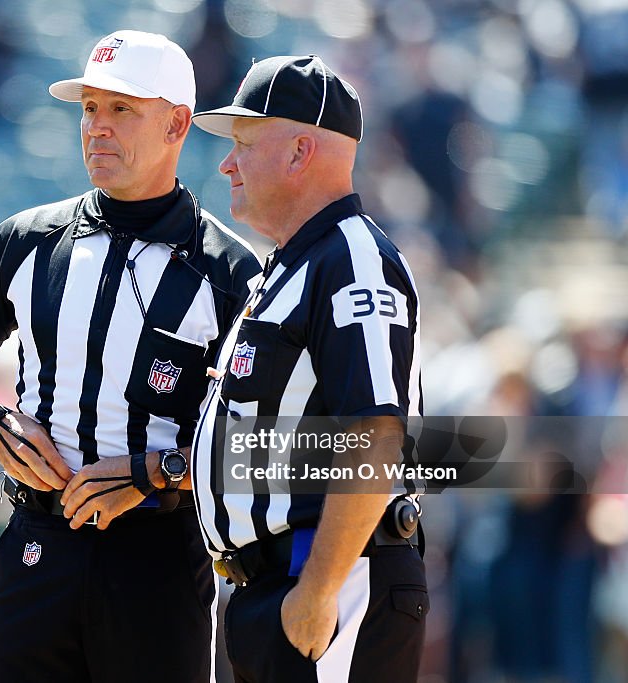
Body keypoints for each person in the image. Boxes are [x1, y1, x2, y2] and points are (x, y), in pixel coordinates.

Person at [0, 30, 262, 683]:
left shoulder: (231, 271)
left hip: (158, 557)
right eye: (89, 108)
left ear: (177, 123)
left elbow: (264, 442)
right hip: (35, 541)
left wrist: (161, 469)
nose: (97, 128)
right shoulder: (26, 240)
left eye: (122, 110)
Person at [190, 55, 427, 682]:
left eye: (243, 142)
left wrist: (318, 593)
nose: (226, 162)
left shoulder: (351, 258)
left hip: (325, 581)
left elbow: (376, 436)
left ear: (300, 151)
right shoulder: (293, 265)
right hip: (273, 585)